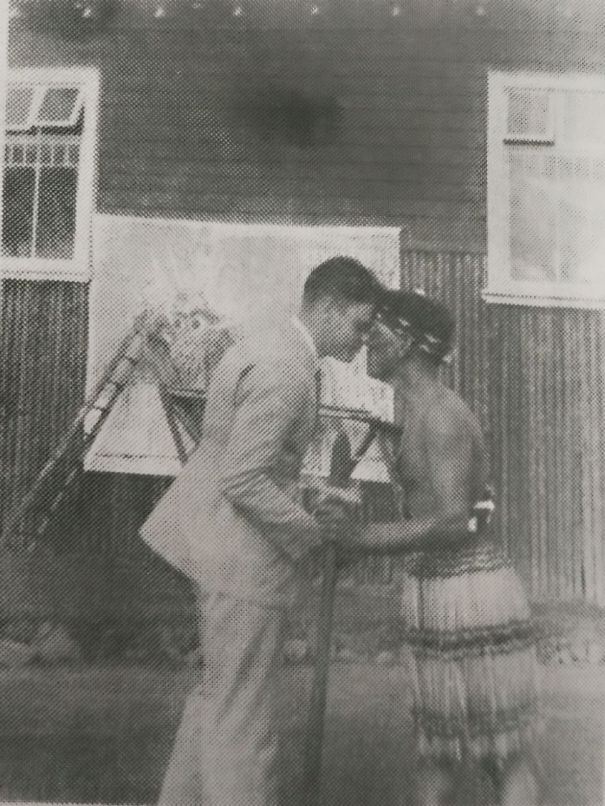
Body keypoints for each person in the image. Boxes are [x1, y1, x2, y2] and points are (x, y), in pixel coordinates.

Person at [139, 255, 386, 806]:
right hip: (242, 560)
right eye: (359, 324)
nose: (364, 340)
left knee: (217, 697)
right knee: (245, 720)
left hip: (220, 546)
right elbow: (243, 477)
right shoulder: (286, 369)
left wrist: (302, 496)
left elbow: (245, 461)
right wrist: (311, 532)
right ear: (324, 308)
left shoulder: (269, 344)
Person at [362, 290, 540, 806]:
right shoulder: (421, 413)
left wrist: (364, 539)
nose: (370, 337)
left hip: (470, 591)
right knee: (439, 754)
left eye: (381, 328)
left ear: (410, 342)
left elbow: (451, 520)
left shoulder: (440, 416)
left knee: (502, 752)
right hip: (442, 593)